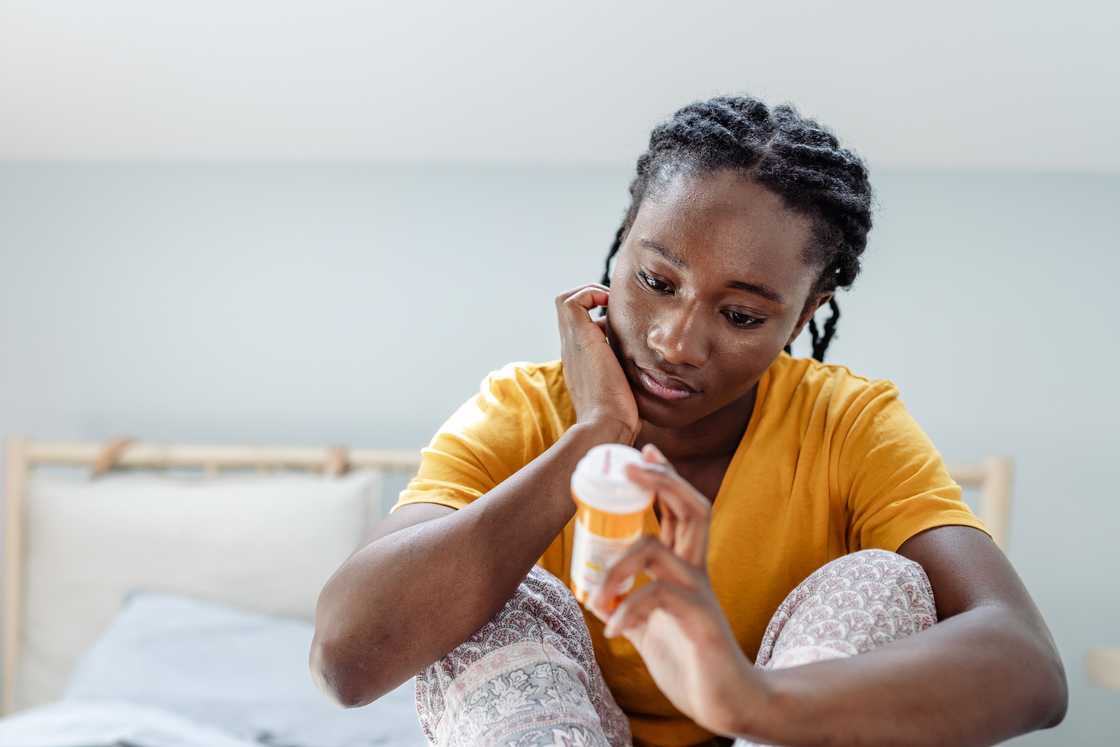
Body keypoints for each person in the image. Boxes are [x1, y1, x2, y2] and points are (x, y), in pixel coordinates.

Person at [309, 95, 1068, 746]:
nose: (675, 340)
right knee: (476, 587)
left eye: (739, 313)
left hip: (771, 728)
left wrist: (746, 699)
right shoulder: (525, 410)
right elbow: (346, 659)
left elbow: (1028, 663)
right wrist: (594, 435)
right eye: (655, 280)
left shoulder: (846, 424)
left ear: (804, 314)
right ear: (619, 247)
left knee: (883, 579)